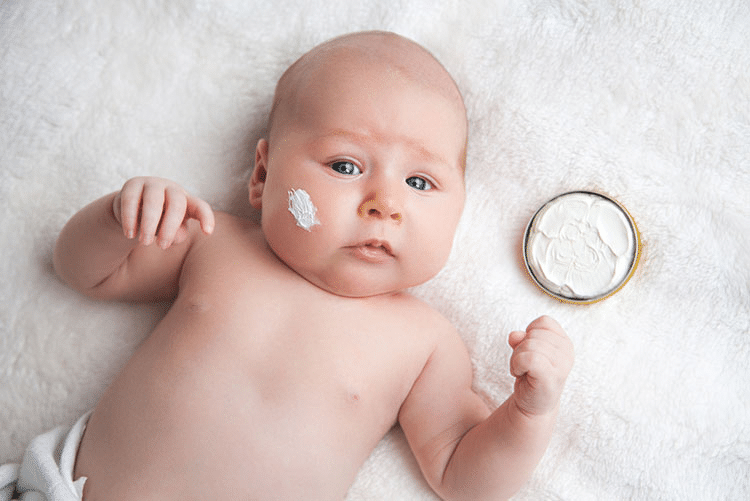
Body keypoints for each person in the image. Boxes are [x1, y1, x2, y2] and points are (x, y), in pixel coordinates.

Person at [28, 31, 574, 500]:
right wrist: (120, 215)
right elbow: (84, 272)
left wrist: (528, 413)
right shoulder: (215, 243)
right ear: (262, 177)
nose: (385, 202)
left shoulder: (424, 342)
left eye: (419, 182)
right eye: (345, 165)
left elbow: (461, 475)